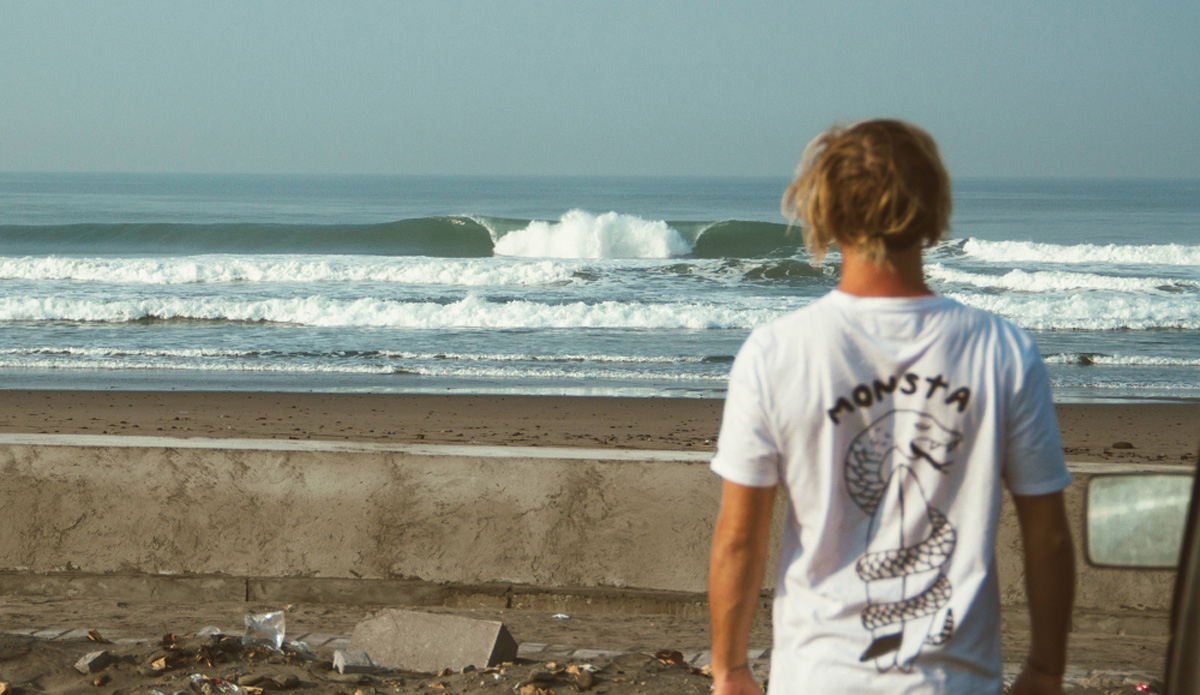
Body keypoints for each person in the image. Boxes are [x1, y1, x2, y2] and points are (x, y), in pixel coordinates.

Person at [707, 120, 1075, 695]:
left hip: (818, 678)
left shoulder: (777, 353)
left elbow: (739, 535)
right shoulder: (1001, 350)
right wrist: (1047, 670)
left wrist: (729, 668)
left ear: (822, 216)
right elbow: (1047, 534)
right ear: (933, 211)